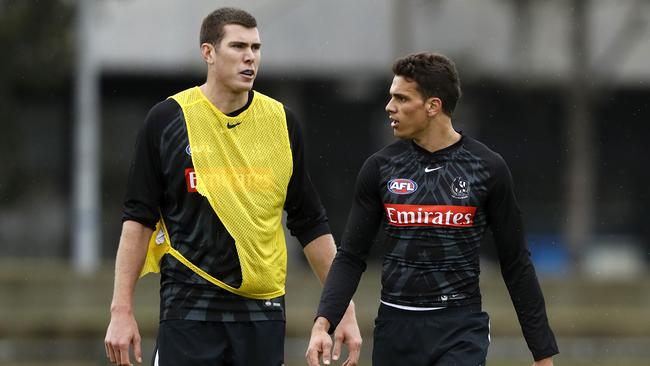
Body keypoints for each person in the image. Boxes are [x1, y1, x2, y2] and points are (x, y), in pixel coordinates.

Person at [104, 7, 361, 366]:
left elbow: (311, 223)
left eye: (256, 48)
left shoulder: (282, 123)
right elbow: (137, 219)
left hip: (263, 312)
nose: (250, 57)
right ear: (208, 52)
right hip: (189, 309)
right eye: (238, 46)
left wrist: (343, 311)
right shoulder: (167, 119)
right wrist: (121, 310)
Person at [306, 52, 558, 366]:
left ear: (432, 106)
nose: (389, 107)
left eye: (401, 98)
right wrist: (323, 322)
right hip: (396, 327)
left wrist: (542, 353)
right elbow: (351, 256)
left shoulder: (488, 168)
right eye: (390, 97)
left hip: (460, 328)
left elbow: (516, 263)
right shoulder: (380, 168)